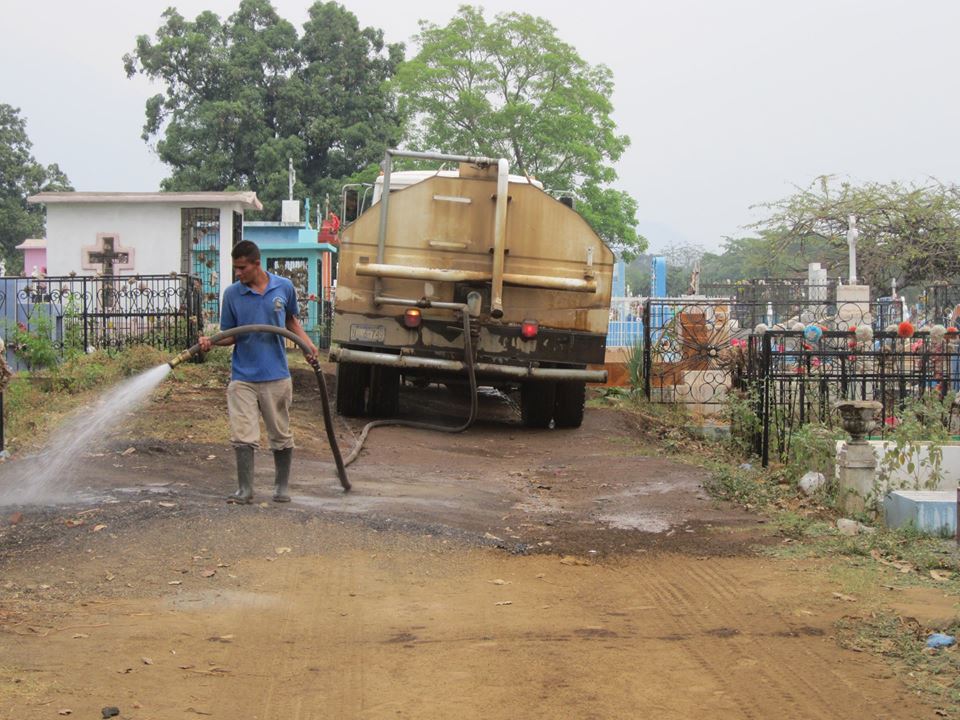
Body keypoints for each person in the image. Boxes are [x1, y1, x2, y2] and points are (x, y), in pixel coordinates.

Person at [198, 240, 318, 504]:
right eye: (236, 269)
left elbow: (290, 322)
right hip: (243, 376)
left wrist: (308, 345)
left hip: (276, 373)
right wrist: (212, 342)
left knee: (280, 433)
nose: (238, 273)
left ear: (256, 263)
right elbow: (230, 335)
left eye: (242, 268)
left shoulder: (283, 287)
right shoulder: (232, 294)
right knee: (243, 433)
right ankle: (245, 489)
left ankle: (281, 487)